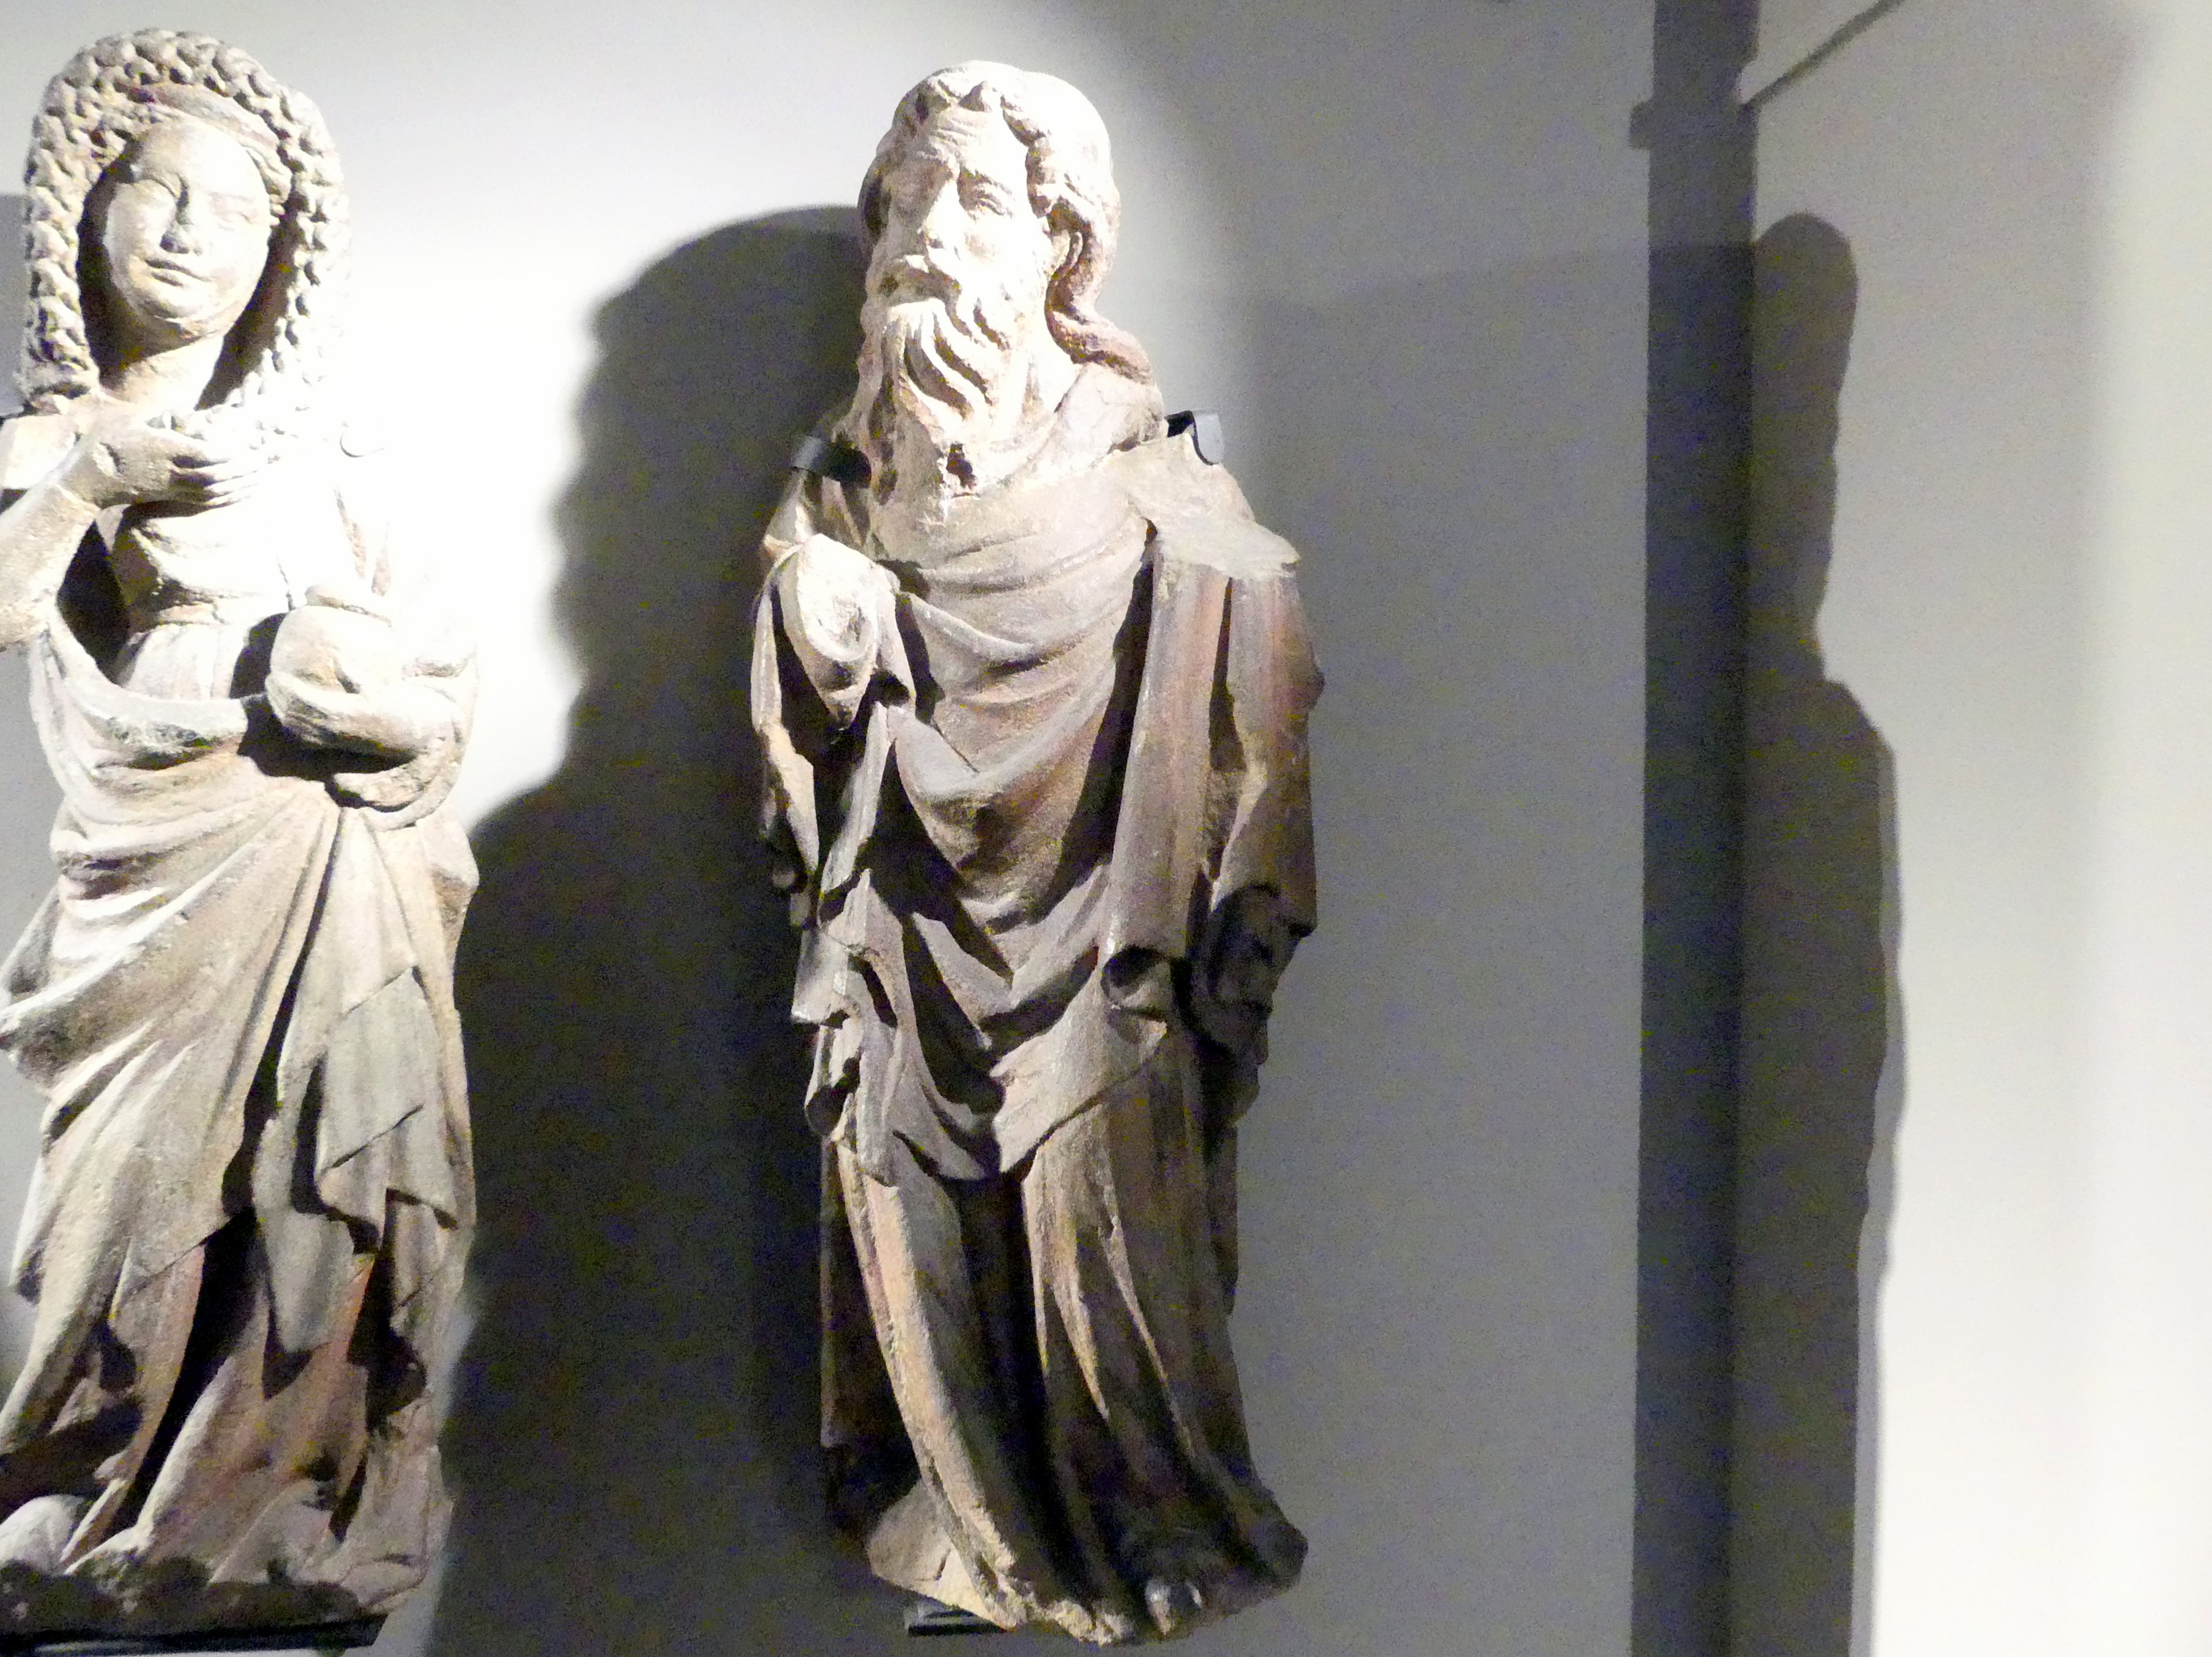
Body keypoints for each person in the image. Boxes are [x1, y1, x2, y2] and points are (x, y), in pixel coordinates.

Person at [753, 62, 1319, 1644]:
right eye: (905, 206)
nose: (930, 237)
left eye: (978, 200)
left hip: (1101, 935)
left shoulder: (1154, 471)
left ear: (1061, 244)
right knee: (915, 1236)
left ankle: (1149, 1523)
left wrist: (1248, 839)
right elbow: (804, 725)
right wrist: (806, 624)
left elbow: (1258, 649)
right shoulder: (840, 499)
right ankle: (971, 1518)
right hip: (901, 942)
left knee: (1107, 1244)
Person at [0, 31, 474, 1637]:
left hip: (334, 853)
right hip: (151, 861)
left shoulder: (337, 450)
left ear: (282, 256)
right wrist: (87, 479)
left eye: (236, 211)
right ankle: (92, 1486)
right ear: (89, 215)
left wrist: (389, 719)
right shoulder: (55, 442)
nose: (192, 234)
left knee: (318, 1185)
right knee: (122, 1195)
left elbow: (443, 674)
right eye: (159, 192)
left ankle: (274, 1502)